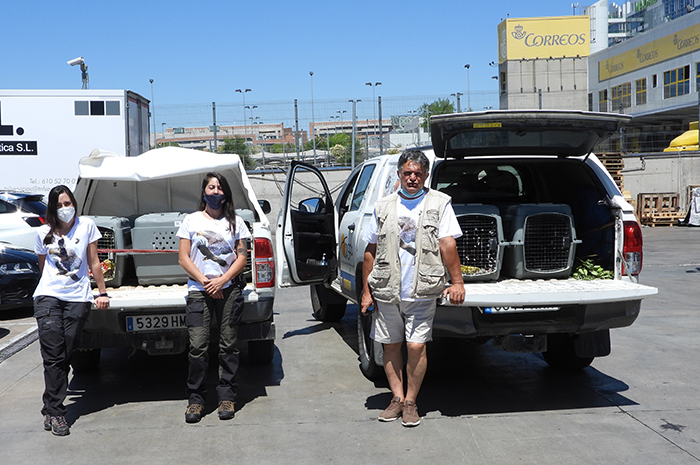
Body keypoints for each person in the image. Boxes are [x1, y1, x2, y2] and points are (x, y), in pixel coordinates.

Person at [360, 149, 465, 427]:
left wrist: (457, 282)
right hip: (387, 290)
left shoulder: (439, 203)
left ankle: (410, 402)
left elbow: (447, 244)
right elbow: (370, 250)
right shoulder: (383, 207)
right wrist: (366, 291)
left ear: (426, 175)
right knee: (391, 345)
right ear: (399, 174)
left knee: (416, 346)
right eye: (407, 172)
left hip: (422, 290)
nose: (412, 177)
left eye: (418, 173)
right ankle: (396, 398)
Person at [33, 185, 110, 436]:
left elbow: (94, 261)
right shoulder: (43, 233)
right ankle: (56, 412)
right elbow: (43, 267)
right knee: (53, 353)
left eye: (68, 203)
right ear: (52, 209)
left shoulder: (87, 226)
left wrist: (102, 292)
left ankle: (49, 405)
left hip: (78, 297)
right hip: (48, 297)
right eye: (59, 205)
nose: (65, 209)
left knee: (65, 351)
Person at [177, 172, 251, 423]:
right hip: (199, 290)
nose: (215, 192)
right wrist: (205, 281)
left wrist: (222, 280)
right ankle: (196, 400)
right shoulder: (190, 221)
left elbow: (242, 256)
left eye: (219, 188)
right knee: (198, 347)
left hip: (228, 289)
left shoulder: (237, 222)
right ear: (203, 192)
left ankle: (226, 397)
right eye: (211, 187)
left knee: (228, 345)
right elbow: (184, 257)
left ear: (226, 193)